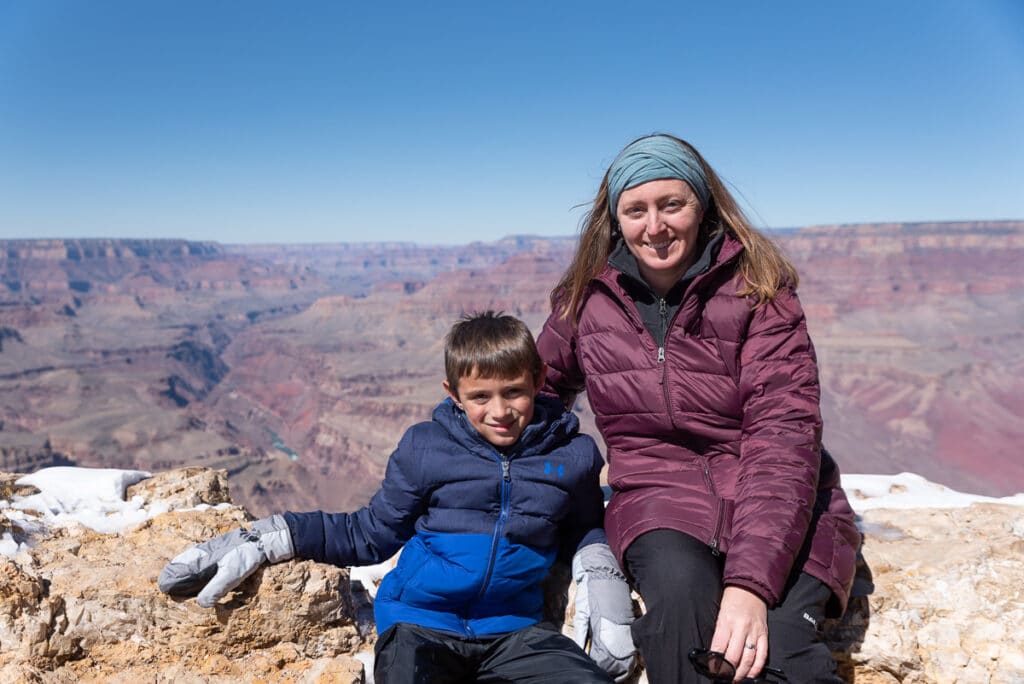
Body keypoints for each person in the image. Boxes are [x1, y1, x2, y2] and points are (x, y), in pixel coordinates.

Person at [159, 311, 638, 684]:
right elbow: (369, 534)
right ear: (453, 393)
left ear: (538, 382)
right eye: (480, 397)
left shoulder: (572, 455)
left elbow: (582, 523)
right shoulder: (425, 448)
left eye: (514, 392)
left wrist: (601, 572)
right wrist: (270, 537)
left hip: (516, 630)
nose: (500, 412)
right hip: (419, 626)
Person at [536, 134, 861, 683]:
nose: (654, 227)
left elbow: (783, 437)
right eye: (635, 210)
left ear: (702, 204)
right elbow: (527, 398)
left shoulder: (760, 291)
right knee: (680, 620)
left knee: (777, 649)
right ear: (615, 219)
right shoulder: (585, 299)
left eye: (672, 205)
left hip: (783, 502)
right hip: (659, 499)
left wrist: (750, 586)